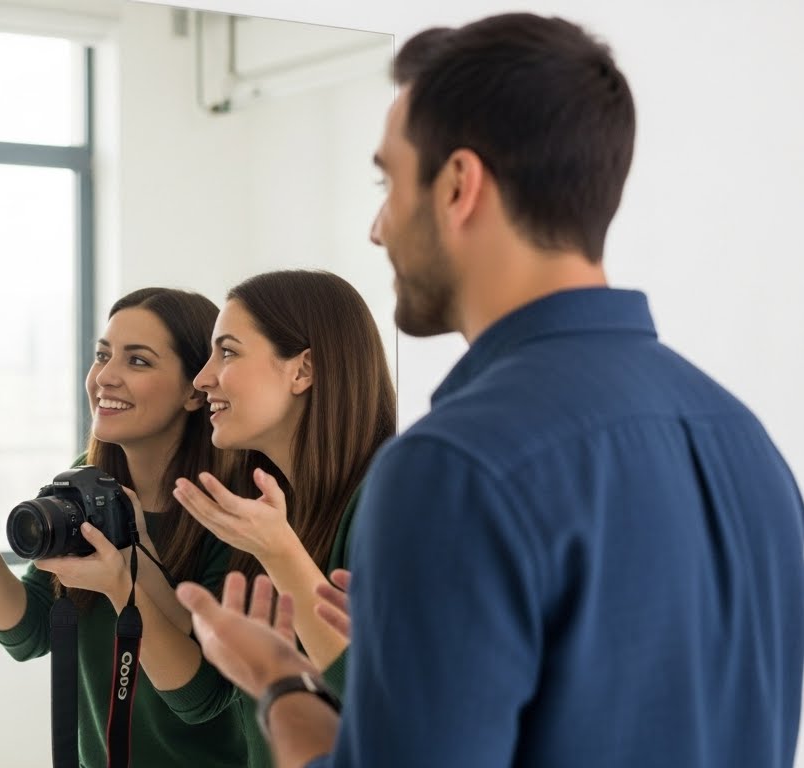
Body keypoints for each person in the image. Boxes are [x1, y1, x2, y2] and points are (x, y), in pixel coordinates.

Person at [176, 12, 804, 768]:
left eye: (387, 183)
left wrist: (279, 682)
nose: (377, 228)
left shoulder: (452, 465)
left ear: (457, 187)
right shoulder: (746, 442)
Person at [0, 287, 251, 766]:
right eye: (103, 355)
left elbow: (200, 699)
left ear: (194, 389)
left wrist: (123, 587)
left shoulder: (234, 507)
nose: (105, 377)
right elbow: (30, 631)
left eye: (137, 361)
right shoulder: (87, 482)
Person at [170, 269, 396, 766]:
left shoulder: (388, 504)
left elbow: (393, 706)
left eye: (228, 352)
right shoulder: (269, 512)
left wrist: (279, 553)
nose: (202, 379)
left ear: (302, 370)